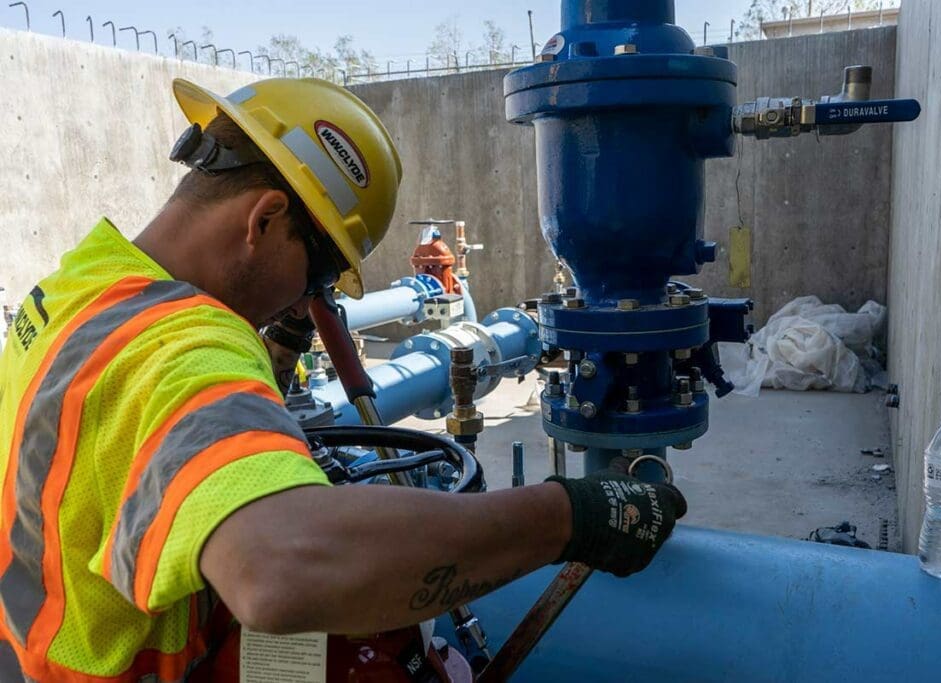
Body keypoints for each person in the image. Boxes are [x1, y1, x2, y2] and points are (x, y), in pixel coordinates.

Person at [0, 77, 687, 681]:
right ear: (264, 219)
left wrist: (274, 351)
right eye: (321, 274)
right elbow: (280, 571)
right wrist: (570, 517)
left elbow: (135, 433)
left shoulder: (84, 284)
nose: (310, 301)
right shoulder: (184, 345)